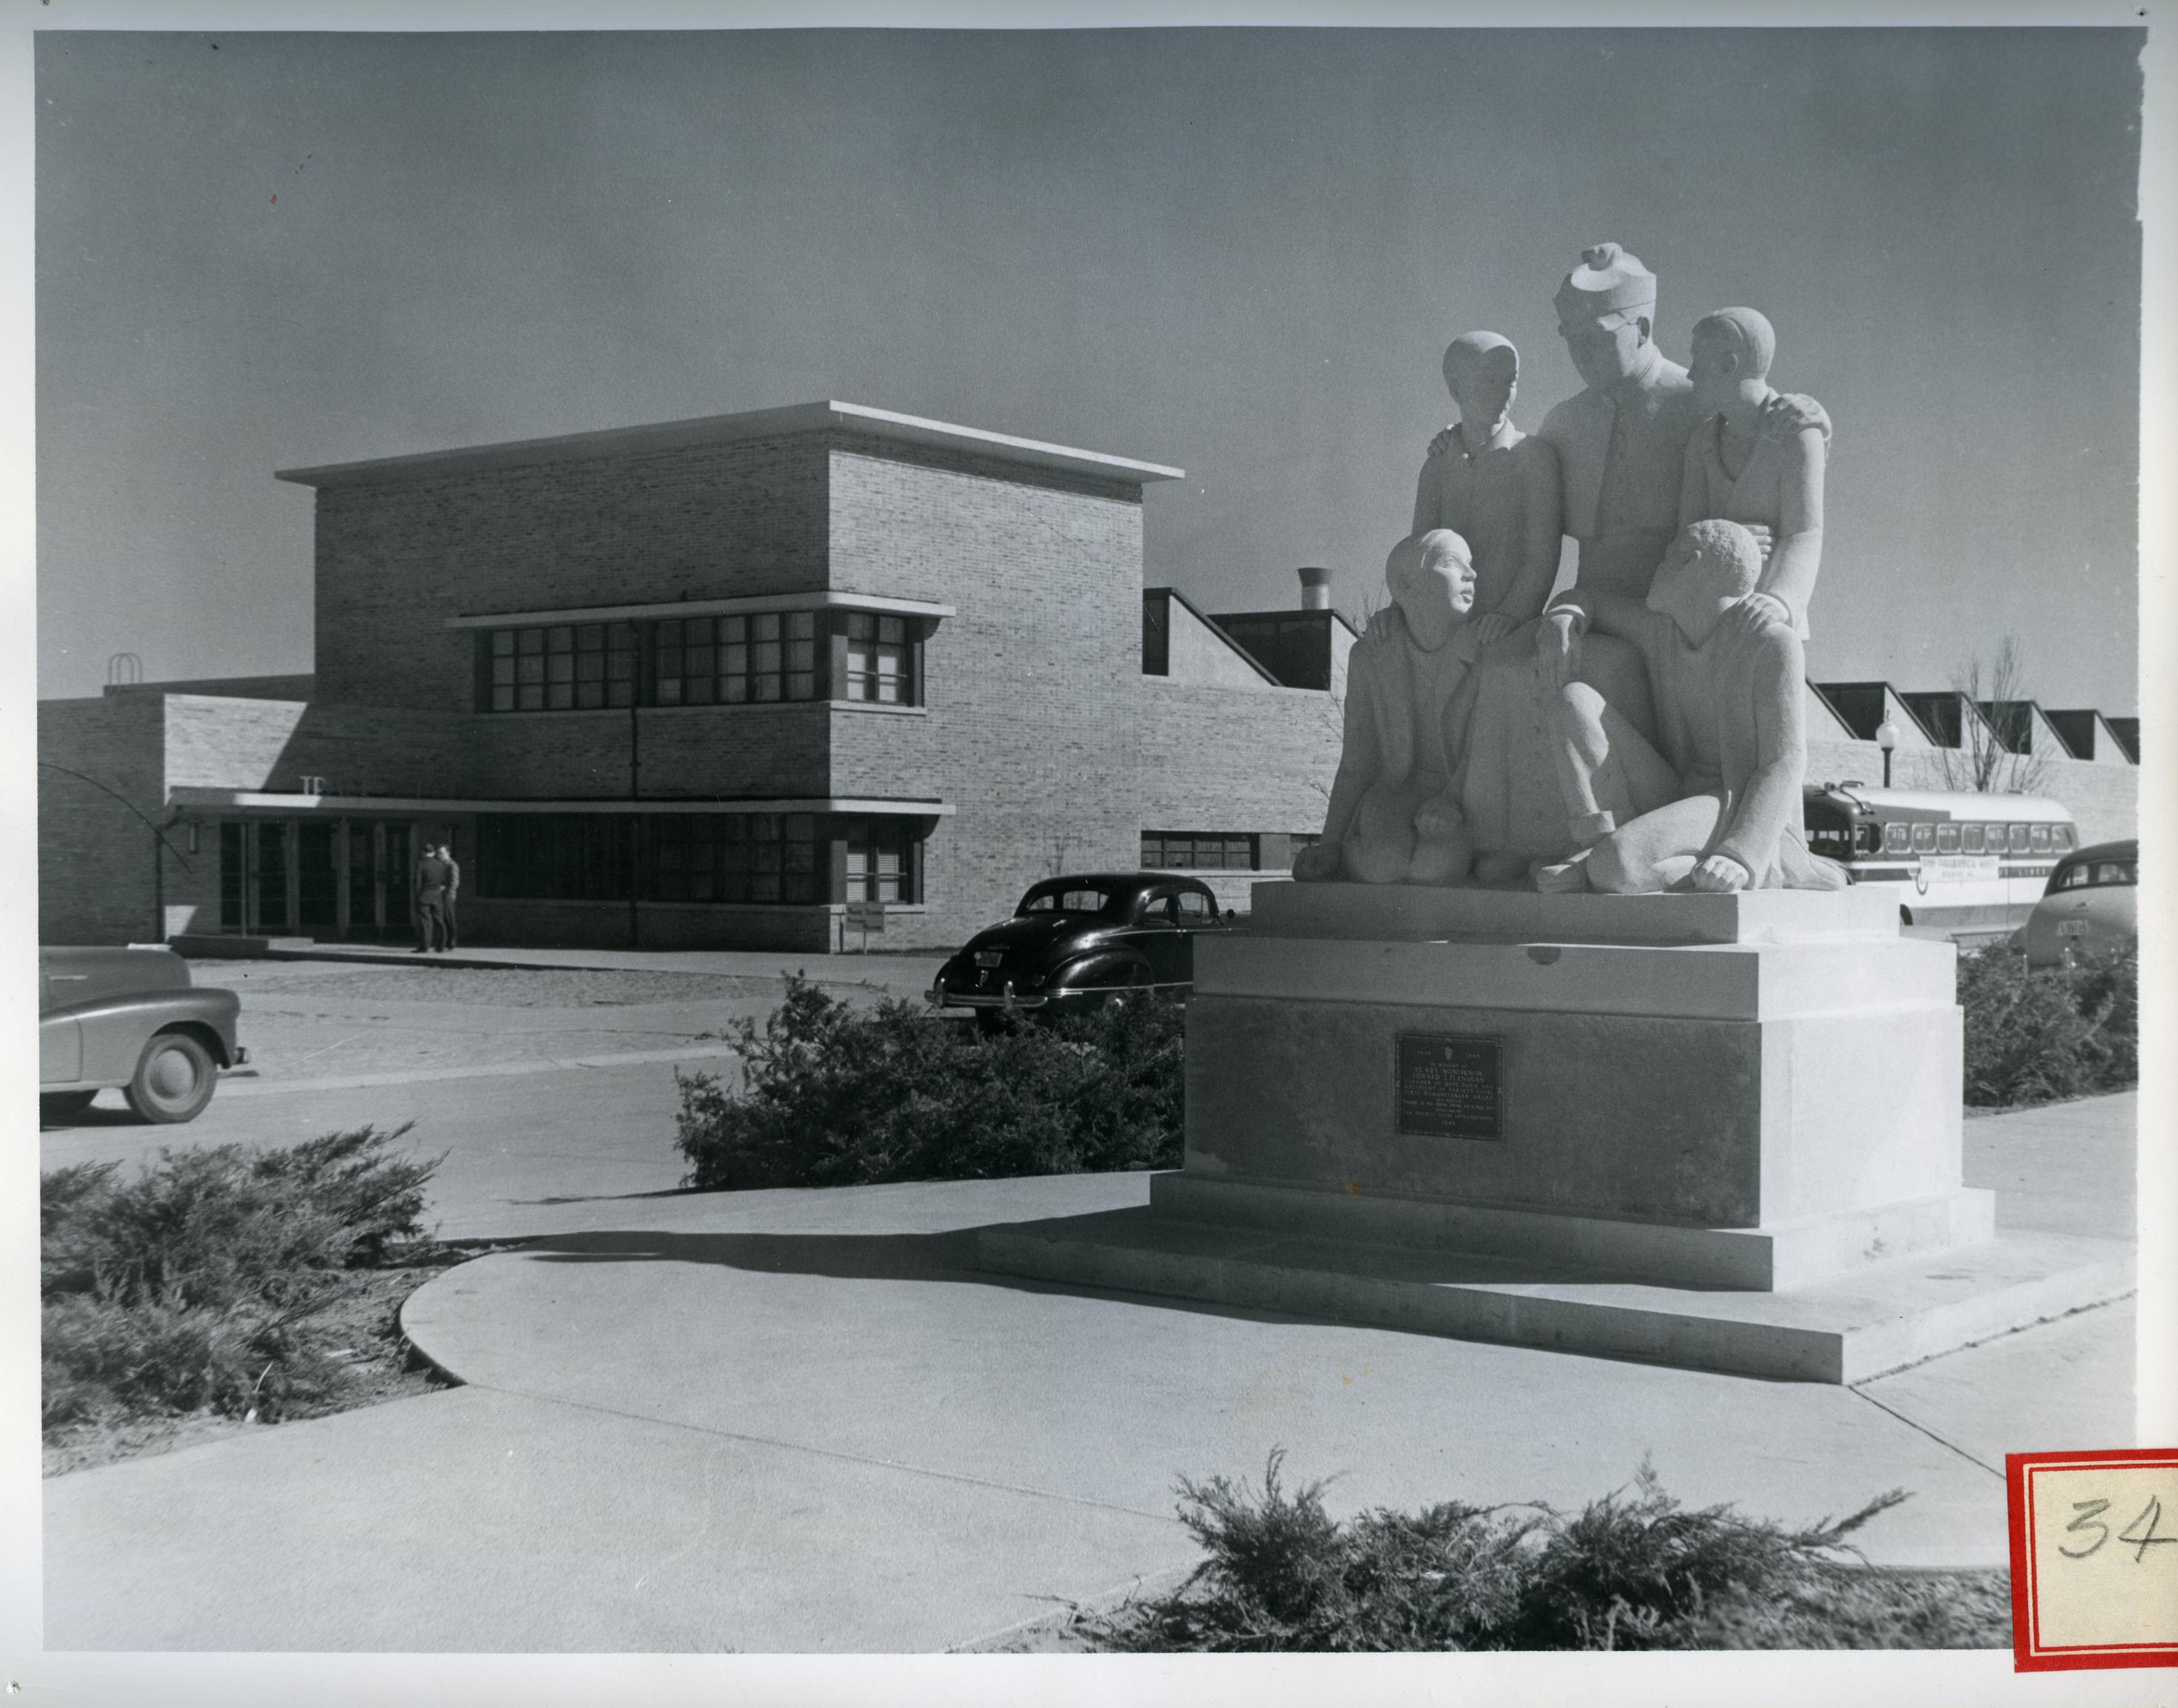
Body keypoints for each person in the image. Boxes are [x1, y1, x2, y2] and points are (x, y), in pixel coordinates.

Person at [1532, 518, 1847, 894]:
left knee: (1617, 867)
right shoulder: (1662, 630)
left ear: (1691, 563)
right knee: (1574, 701)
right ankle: (1595, 846)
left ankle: (1771, 863)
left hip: (1732, 804)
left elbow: (1784, 762)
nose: (1656, 569)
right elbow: (1589, 599)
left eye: (1667, 558)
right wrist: (1564, 616)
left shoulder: (1771, 643)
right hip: (1675, 790)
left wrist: (1740, 856)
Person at [1293, 530, 1482, 886]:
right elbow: (1356, 762)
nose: (1471, 575)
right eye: (1451, 564)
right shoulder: (1371, 657)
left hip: (1460, 797)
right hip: (1396, 791)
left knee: (1432, 870)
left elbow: (1484, 751)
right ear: (1406, 586)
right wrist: (1331, 843)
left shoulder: (1483, 653)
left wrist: (1450, 800)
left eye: (1470, 565)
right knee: (1381, 866)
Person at [1679, 306, 1827, 637]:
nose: (1690, 374)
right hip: (1709, 614)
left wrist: (1780, 601)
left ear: (1728, 365)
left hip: (1769, 613)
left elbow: (1804, 533)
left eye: (1698, 360)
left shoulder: (1797, 433)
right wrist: (1730, 543)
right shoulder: (1702, 442)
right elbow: (1687, 537)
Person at [1411, 332, 1563, 642]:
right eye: (1490, 380)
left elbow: (1541, 557)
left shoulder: (1533, 458)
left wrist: (1512, 613)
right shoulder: (1437, 467)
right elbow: (1420, 555)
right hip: (1445, 628)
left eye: (1511, 381)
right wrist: (1400, 609)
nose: (1503, 393)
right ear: (1457, 389)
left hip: (1507, 625)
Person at [413, 843, 453, 953]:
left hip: (424, 895)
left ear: (423, 852)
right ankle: (441, 946)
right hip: (437, 896)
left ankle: (425, 946)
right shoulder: (441, 865)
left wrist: (417, 895)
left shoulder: (421, 864)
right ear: (434, 853)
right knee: (439, 921)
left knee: (426, 922)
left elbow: (417, 883)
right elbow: (445, 881)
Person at [437, 843, 462, 950]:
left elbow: (454, 882)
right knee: (441, 919)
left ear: (448, 853)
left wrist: (449, 893)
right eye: (438, 853)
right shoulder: (439, 864)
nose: (439, 855)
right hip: (439, 895)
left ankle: (451, 941)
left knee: (449, 918)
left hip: (447, 895)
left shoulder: (452, 865)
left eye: (442, 853)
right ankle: (443, 941)